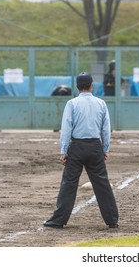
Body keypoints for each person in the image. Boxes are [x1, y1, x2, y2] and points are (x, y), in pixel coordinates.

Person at [44, 72, 119, 229]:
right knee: (102, 184)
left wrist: (64, 151)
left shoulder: (72, 104)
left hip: (77, 147)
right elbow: (106, 129)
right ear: (92, 86)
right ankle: (112, 220)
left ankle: (58, 220)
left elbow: (66, 129)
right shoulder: (101, 103)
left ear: (77, 87)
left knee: (69, 184)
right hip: (95, 146)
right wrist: (105, 148)